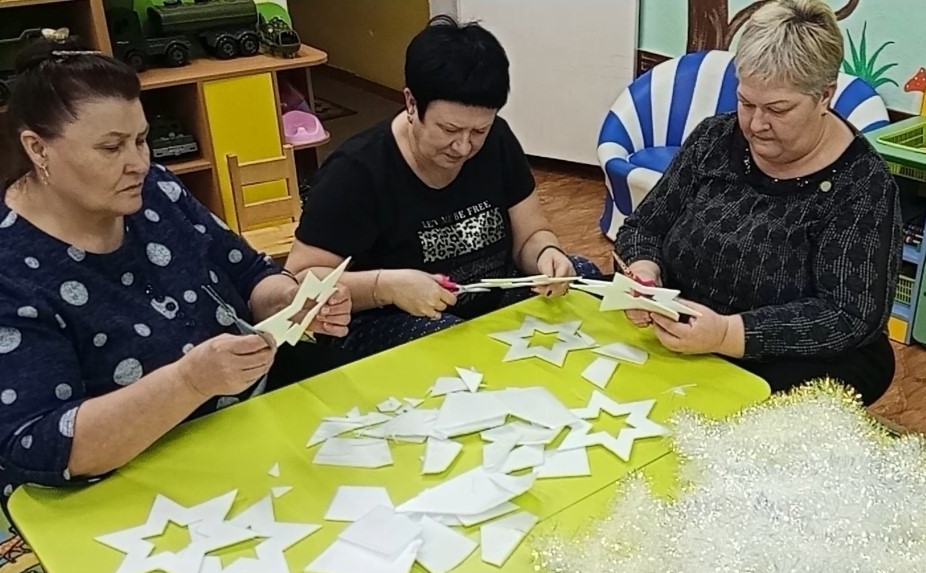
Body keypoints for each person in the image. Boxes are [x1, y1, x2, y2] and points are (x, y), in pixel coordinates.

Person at [0, 36, 352, 502]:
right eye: (111, 148)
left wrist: (291, 301)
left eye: (142, 140)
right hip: (112, 492)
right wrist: (189, 382)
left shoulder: (156, 192)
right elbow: (37, 445)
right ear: (38, 149)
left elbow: (248, 275)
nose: (139, 164)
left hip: (241, 431)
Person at [615, 0, 901, 405]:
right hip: (683, 325)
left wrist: (730, 334)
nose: (755, 124)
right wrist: (645, 273)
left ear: (825, 96)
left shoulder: (862, 185)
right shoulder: (715, 138)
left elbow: (849, 315)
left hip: (789, 358)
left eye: (778, 109)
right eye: (746, 102)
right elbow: (644, 227)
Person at [284, 15, 601, 359]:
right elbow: (300, 279)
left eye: (478, 131)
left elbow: (531, 235)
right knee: (451, 342)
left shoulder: (498, 141)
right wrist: (387, 287)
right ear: (411, 103)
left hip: (486, 300)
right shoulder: (356, 172)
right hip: (392, 316)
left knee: (582, 275)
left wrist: (546, 256)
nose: (463, 147)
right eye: (449, 130)